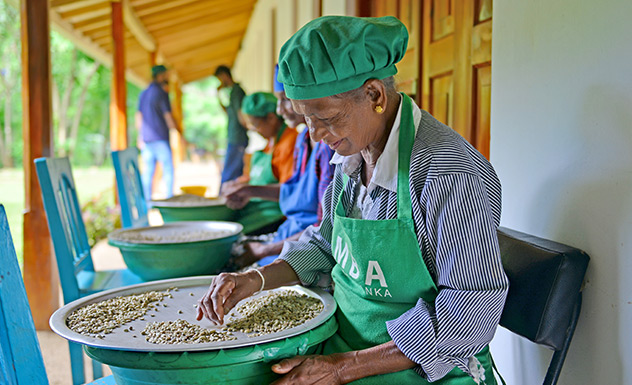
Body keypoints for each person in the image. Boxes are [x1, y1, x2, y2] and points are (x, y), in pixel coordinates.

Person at [198, 16, 509, 384]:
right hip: (344, 346)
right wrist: (256, 278)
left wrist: (343, 367)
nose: (313, 135)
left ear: (374, 94)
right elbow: (326, 244)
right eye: (305, 119)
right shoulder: (353, 157)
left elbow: (469, 309)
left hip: (417, 368)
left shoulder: (449, 174)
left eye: (325, 117)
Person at [227, 65, 335, 267]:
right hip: (288, 232)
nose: (279, 110)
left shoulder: (329, 146)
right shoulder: (303, 140)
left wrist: (263, 250)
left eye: (285, 99)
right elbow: (294, 191)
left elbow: (324, 228)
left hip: (305, 245)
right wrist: (248, 189)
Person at [222, 92, 298, 234]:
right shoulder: (269, 145)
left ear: (271, 118)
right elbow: (255, 178)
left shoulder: (290, 144)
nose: (253, 129)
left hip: (274, 217)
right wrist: (238, 184)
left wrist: (248, 190)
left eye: (256, 124)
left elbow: (291, 190)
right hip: (255, 209)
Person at [136, 65, 181, 200]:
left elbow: (139, 116)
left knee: (148, 173)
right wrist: (179, 134)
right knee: (168, 170)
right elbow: (168, 117)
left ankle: (147, 202)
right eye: (165, 75)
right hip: (160, 138)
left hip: (147, 140)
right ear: (160, 76)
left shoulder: (143, 94)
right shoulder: (162, 93)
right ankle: (169, 199)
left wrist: (140, 136)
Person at [215, 65, 249, 185]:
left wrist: (250, 127)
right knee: (234, 172)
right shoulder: (233, 92)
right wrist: (218, 95)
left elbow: (241, 115)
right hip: (234, 136)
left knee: (229, 173)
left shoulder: (237, 92)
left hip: (238, 136)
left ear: (224, 75)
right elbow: (229, 112)